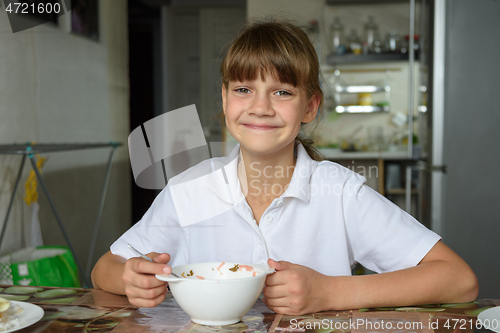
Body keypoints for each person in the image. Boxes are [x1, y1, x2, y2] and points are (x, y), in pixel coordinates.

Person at [92, 19, 478, 315]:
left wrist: (330, 292)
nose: (260, 107)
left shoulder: (339, 192)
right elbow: (104, 268)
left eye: (282, 92)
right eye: (243, 89)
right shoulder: (191, 189)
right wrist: (130, 278)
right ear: (225, 99)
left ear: (310, 106)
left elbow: (459, 280)